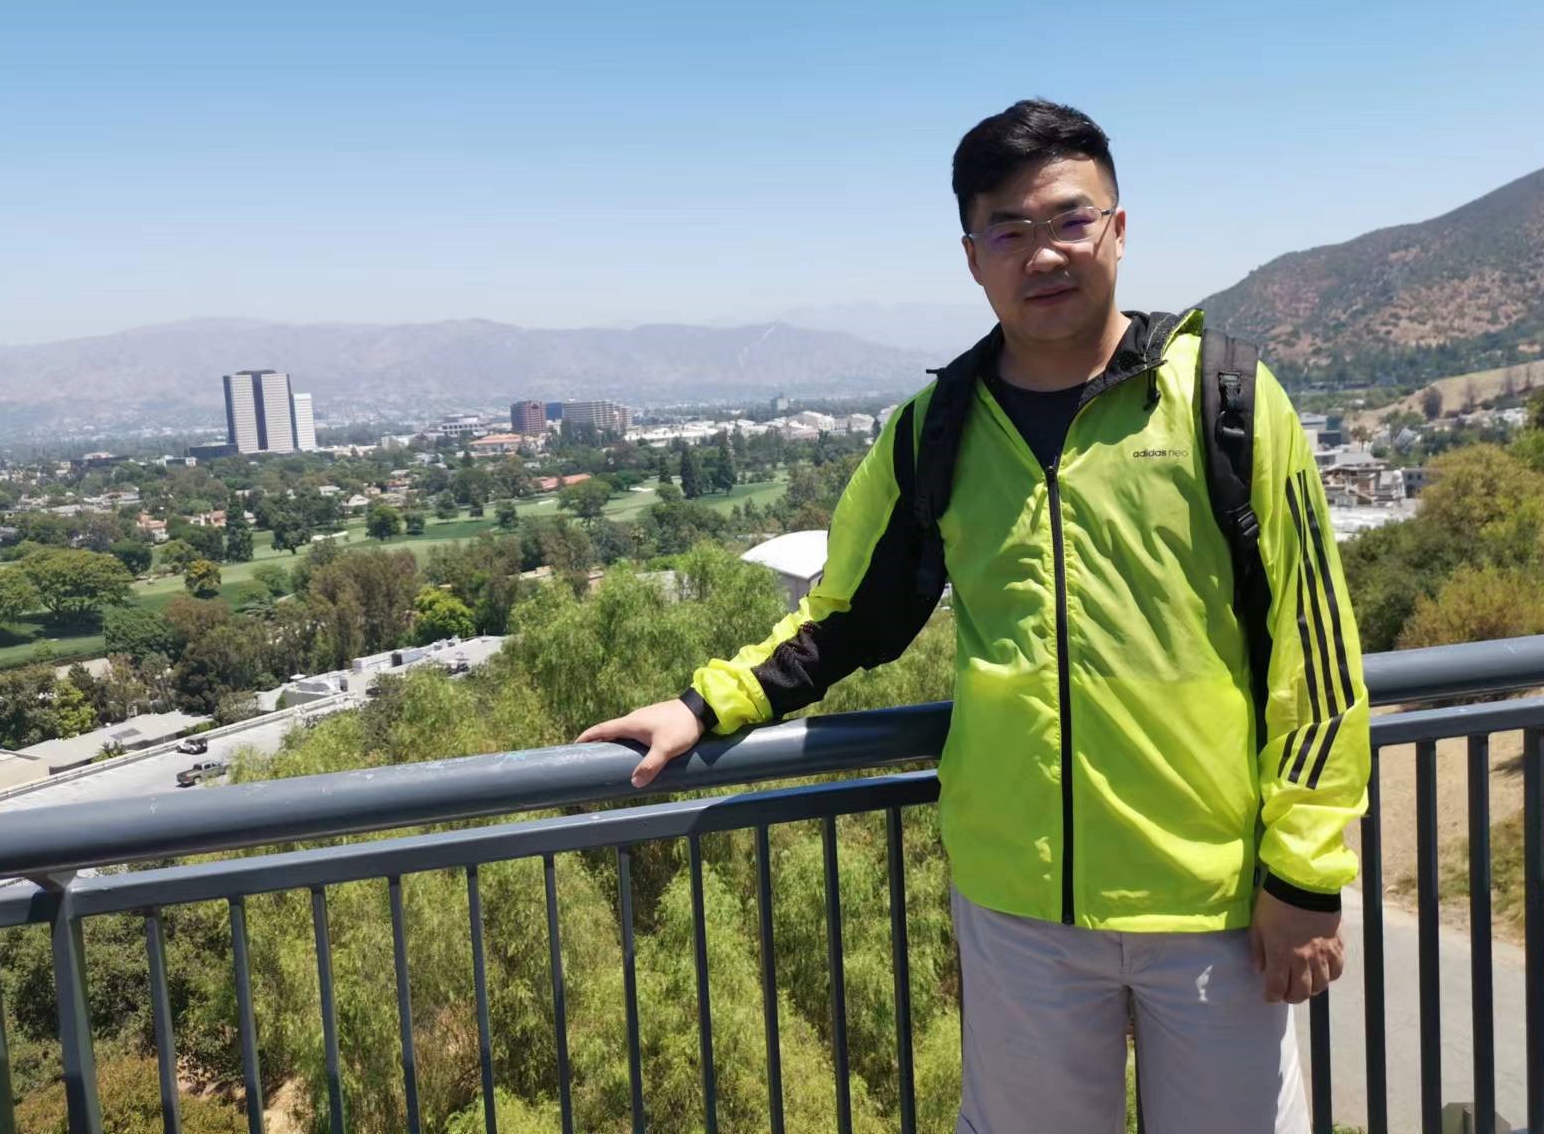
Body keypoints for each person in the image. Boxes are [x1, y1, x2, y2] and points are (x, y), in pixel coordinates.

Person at [577, 99, 1370, 1133]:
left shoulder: (1225, 400)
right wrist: (702, 706)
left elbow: (1314, 654)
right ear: (971, 257)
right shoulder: (935, 431)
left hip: (1213, 897)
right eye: (1007, 229)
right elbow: (847, 616)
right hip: (1018, 907)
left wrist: (1302, 876)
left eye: (1070, 218)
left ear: (1118, 229)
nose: (1043, 252)